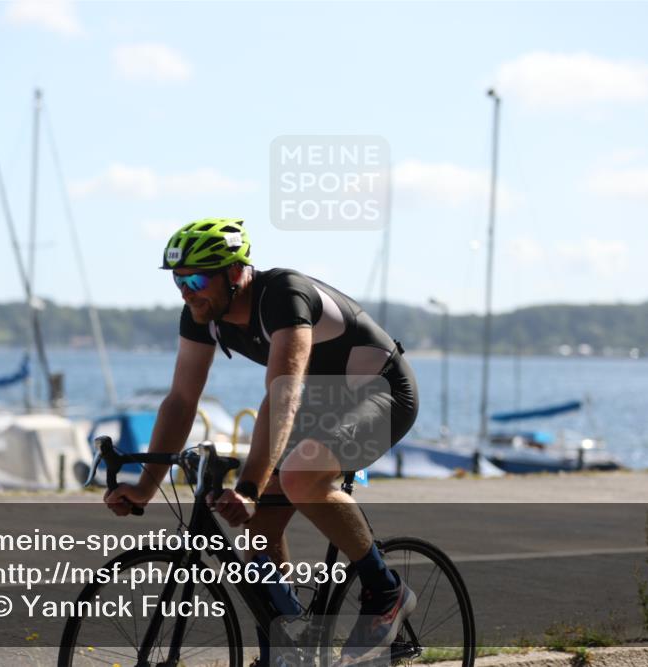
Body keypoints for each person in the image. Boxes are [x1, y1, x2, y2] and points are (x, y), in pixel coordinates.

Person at [105, 218, 420, 665]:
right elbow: (180, 400)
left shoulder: (283, 295)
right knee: (259, 531)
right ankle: (289, 647)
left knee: (299, 476)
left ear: (235, 273)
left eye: (196, 279)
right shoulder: (202, 313)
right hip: (321, 402)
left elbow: (284, 394)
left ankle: (385, 588)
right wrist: (145, 485)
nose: (186, 291)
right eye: (178, 280)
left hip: (380, 392)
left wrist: (250, 486)